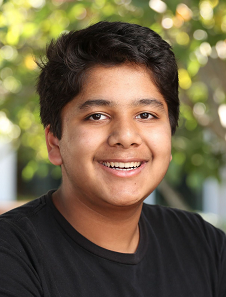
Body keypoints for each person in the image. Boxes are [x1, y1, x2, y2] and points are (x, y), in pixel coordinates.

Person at [0, 21, 225, 297]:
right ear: (54, 142)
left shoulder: (204, 245)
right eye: (97, 116)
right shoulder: (12, 255)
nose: (126, 136)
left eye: (146, 115)